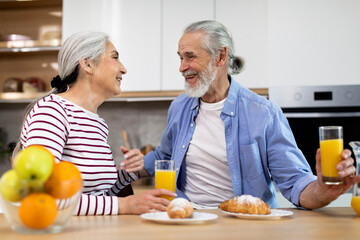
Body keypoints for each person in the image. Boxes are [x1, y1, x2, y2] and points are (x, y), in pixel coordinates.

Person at [140, 20, 360, 209]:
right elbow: (165, 158)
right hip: (186, 216)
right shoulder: (179, 107)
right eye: (180, 58)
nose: (181, 67)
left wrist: (323, 191)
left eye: (190, 57)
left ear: (221, 56)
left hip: (243, 221)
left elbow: (295, 182)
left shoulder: (263, 113)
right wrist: (129, 168)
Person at [13, 31, 175, 215]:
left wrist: (130, 172)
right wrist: (125, 205)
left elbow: (99, 195)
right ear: (88, 64)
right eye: (115, 58)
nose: (123, 69)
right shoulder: (52, 112)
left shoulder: (96, 122)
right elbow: (44, 195)